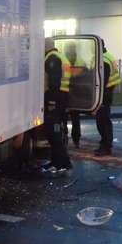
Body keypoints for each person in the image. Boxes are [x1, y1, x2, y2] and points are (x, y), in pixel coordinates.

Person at [43, 37, 73, 172]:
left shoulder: (52, 58)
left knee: (53, 131)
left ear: (45, 46)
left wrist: (51, 101)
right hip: (62, 97)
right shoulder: (60, 56)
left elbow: (54, 82)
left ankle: (63, 162)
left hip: (55, 97)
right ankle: (56, 161)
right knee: (55, 130)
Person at [95, 46, 122, 156]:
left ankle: (106, 146)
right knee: (103, 120)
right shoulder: (108, 57)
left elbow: (102, 81)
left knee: (103, 121)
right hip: (108, 92)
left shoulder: (104, 61)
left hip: (104, 94)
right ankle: (104, 144)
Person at [62, 42, 87, 148]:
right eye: (70, 47)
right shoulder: (62, 60)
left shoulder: (81, 61)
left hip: (76, 94)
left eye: (73, 47)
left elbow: (86, 75)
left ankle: (76, 141)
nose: (72, 49)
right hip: (64, 93)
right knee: (63, 119)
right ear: (66, 49)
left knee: (75, 120)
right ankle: (64, 140)